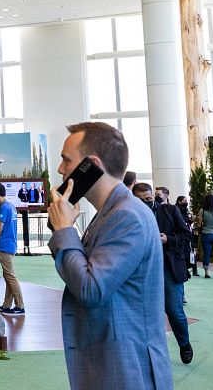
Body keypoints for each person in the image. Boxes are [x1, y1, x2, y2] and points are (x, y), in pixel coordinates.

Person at [48, 122, 172, 390]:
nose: (60, 170)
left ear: (90, 164)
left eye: (66, 160)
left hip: (127, 372)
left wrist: (64, 229)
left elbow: (91, 289)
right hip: (112, 365)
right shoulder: (110, 212)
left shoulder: (127, 216)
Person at [130, 183, 193, 364]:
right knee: (142, 313)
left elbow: (186, 235)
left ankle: (185, 343)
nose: (145, 204)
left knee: (174, 310)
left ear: (154, 197)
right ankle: (147, 353)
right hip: (140, 268)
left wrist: (168, 239)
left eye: (149, 199)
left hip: (168, 266)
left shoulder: (169, 211)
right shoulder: (128, 214)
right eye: (140, 201)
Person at [0, 182, 24, 315]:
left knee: (10, 276)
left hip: (4, 245)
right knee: (8, 275)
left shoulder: (4, 208)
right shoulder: (11, 206)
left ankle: (20, 306)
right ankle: (6, 305)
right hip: (11, 244)